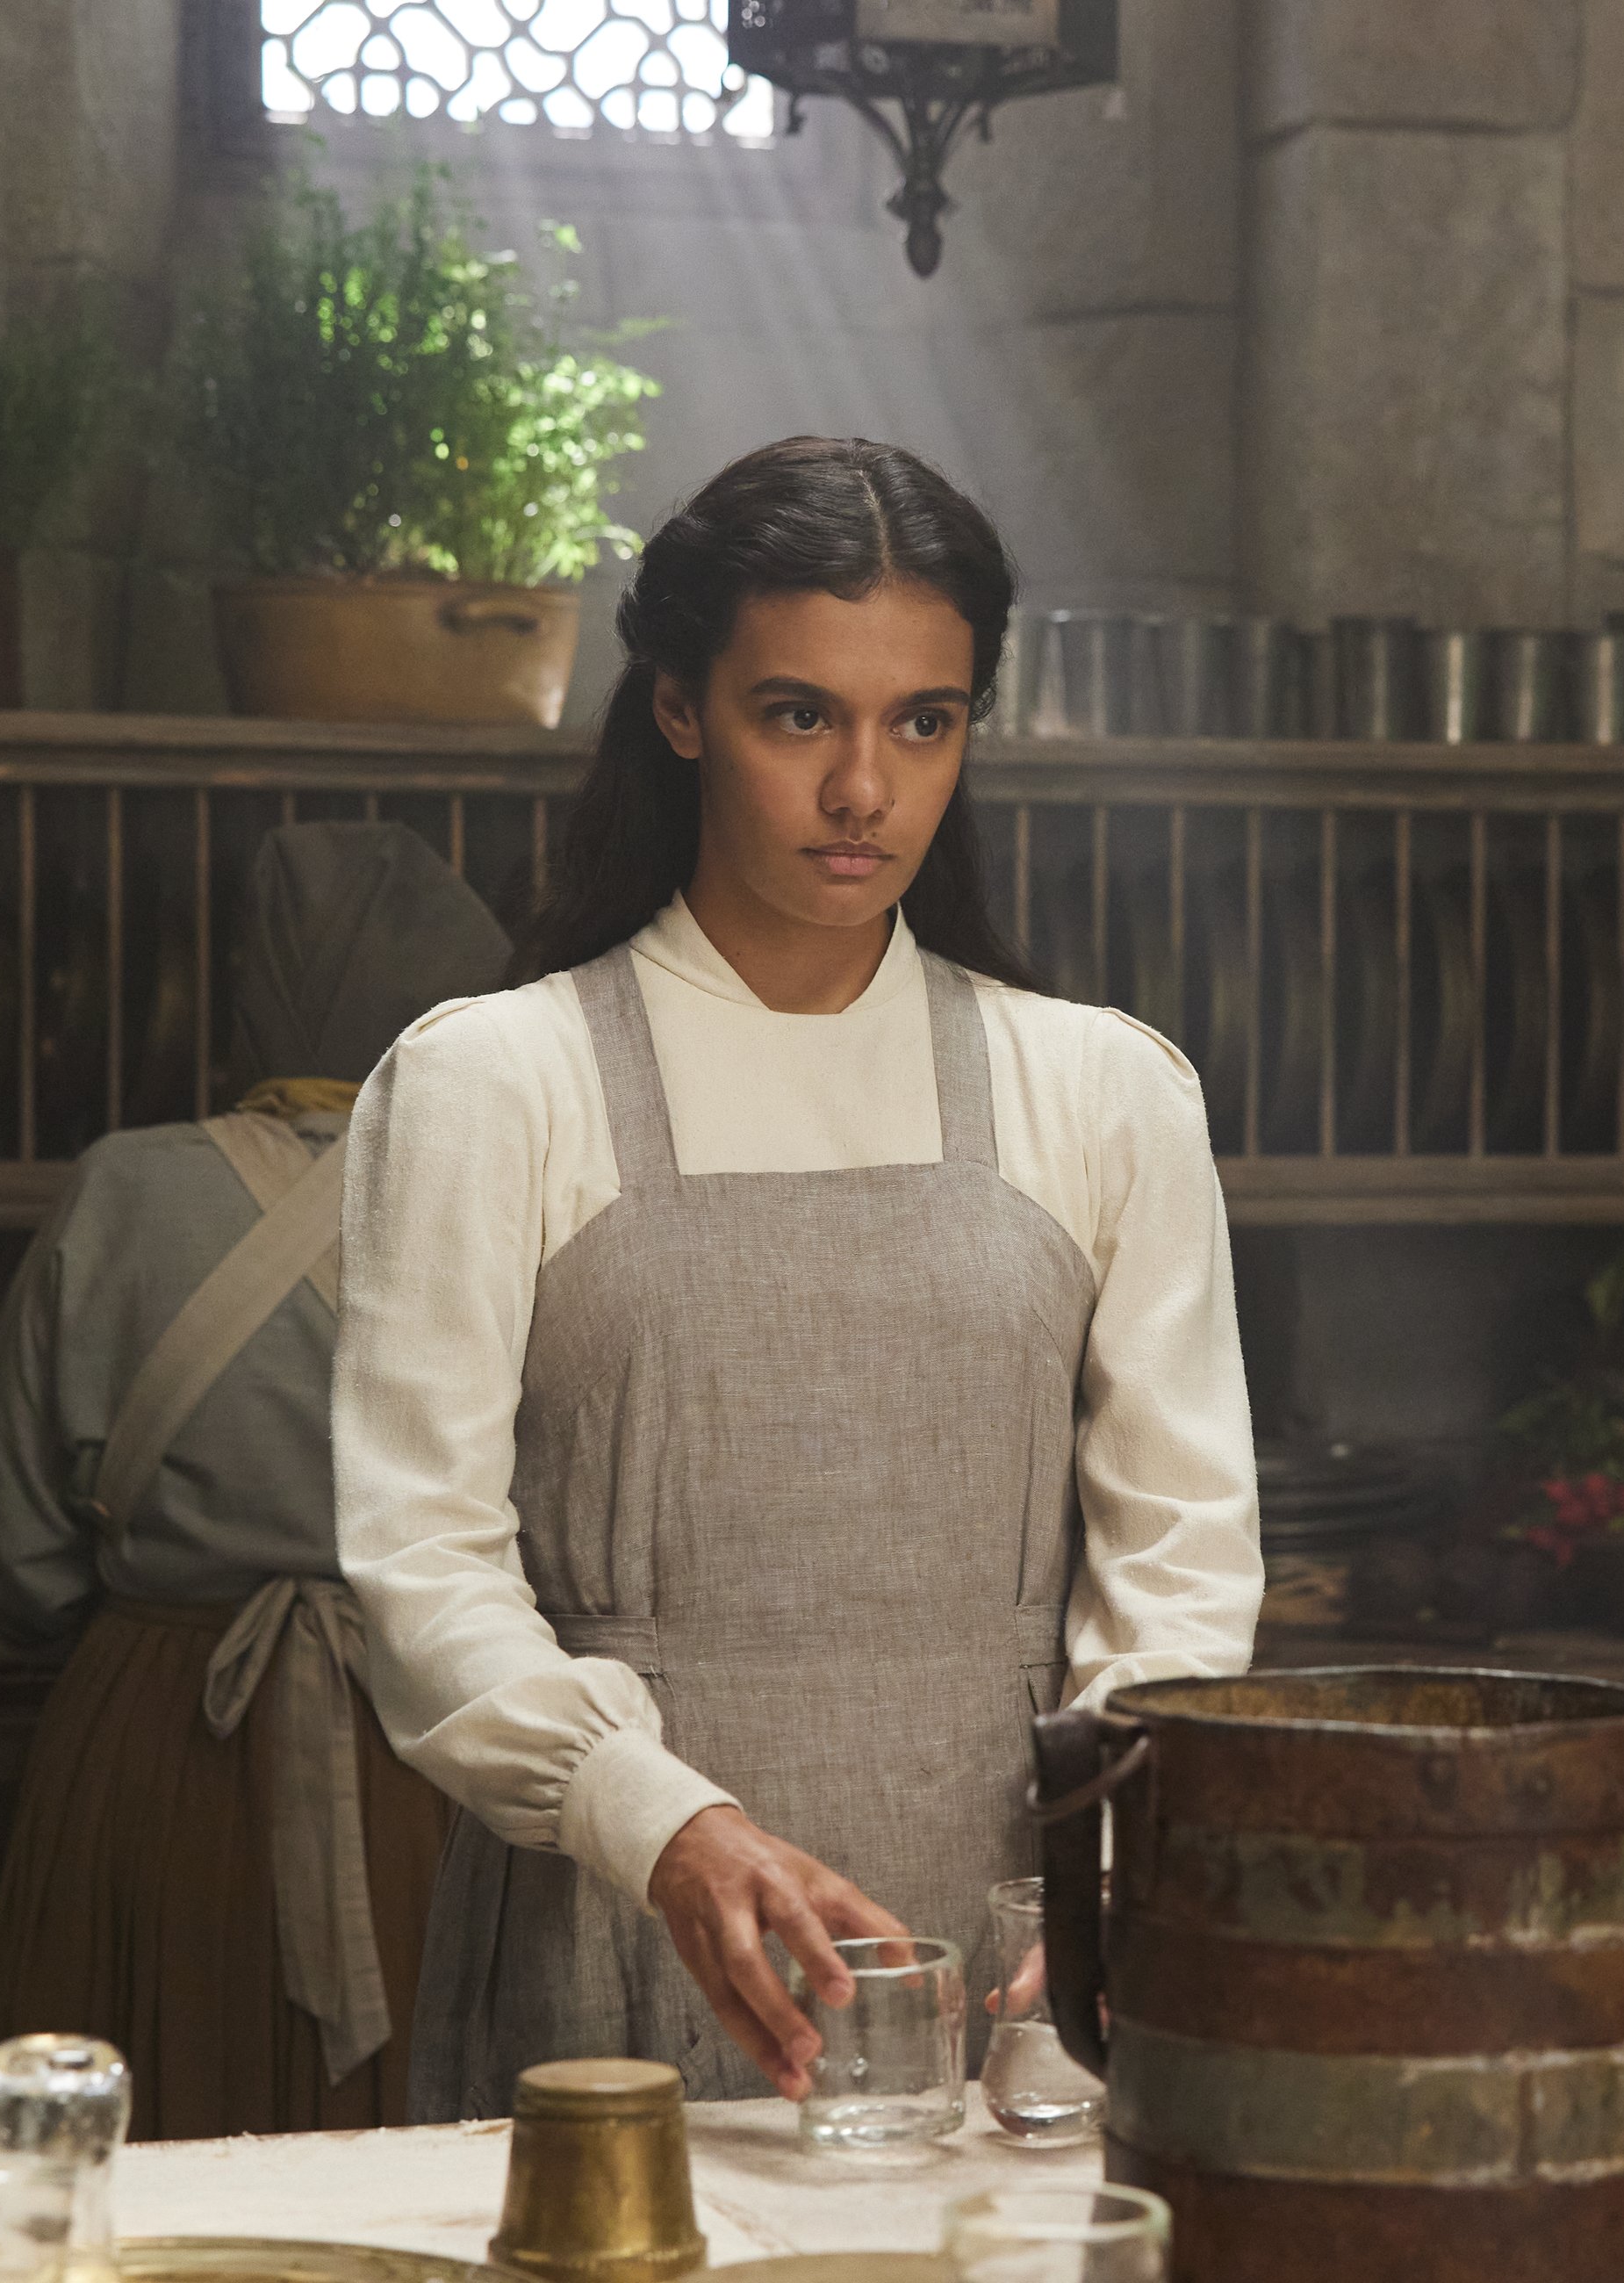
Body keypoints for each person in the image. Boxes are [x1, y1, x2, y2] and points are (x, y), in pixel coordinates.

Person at [336, 436, 1263, 2116]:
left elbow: (1183, 1563)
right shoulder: (493, 1081)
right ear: (682, 708)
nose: (866, 789)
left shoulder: (1108, 1089)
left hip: (1014, 1966)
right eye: (799, 716)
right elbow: (417, 1565)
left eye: (926, 721)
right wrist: (659, 1822)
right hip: (612, 1946)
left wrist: (1123, 1854)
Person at [0, 821, 513, 2135]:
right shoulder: (513, 1187)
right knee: (425, 2179)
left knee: (138, 2168)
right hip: (441, 1748)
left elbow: (21, 1564)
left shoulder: (123, 1190)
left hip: (160, 1749)